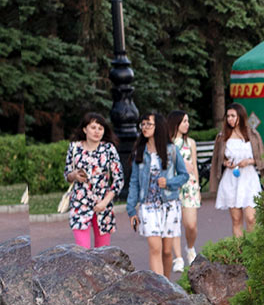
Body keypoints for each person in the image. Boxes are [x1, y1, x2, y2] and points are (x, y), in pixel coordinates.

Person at [126, 112, 187, 279]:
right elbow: (134, 183)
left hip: (169, 204)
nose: (144, 128)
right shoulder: (140, 151)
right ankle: (159, 290)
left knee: (167, 252)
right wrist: (131, 210)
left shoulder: (172, 150)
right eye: (142, 124)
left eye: (148, 124)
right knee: (155, 248)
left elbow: (184, 175)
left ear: (158, 127)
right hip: (148, 205)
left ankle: (166, 286)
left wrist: (169, 183)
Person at [63, 112, 124, 249]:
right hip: (80, 203)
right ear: (85, 129)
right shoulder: (74, 148)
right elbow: (67, 174)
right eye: (93, 127)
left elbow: (118, 179)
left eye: (100, 128)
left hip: (103, 204)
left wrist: (105, 202)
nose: (97, 131)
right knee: (82, 251)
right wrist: (74, 175)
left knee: (102, 253)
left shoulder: (108, 149)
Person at [212, 103, 264, 237]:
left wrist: (249, 161)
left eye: (233, 116)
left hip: (249, 178)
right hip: (231, 178)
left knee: (251, 218)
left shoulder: (252, 135)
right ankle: (239, 254)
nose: (230, 119)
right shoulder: (223, 136)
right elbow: (219, 159)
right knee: (236, 220)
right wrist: (226, 162)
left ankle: (252, 250)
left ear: (240, 117)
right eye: (228, 116)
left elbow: (262, 158)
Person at [166, 110, 202, 270]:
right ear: (176, 123)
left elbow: (194, 165)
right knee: (174, 223)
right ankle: (178, 258)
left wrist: (198, 187)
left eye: (188, 121)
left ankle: (190, 247)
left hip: (190, 186)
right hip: (173, 184)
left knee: (191, 224)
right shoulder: (168, 143)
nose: (187, 124)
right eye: (184, 121)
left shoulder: (191, 143)